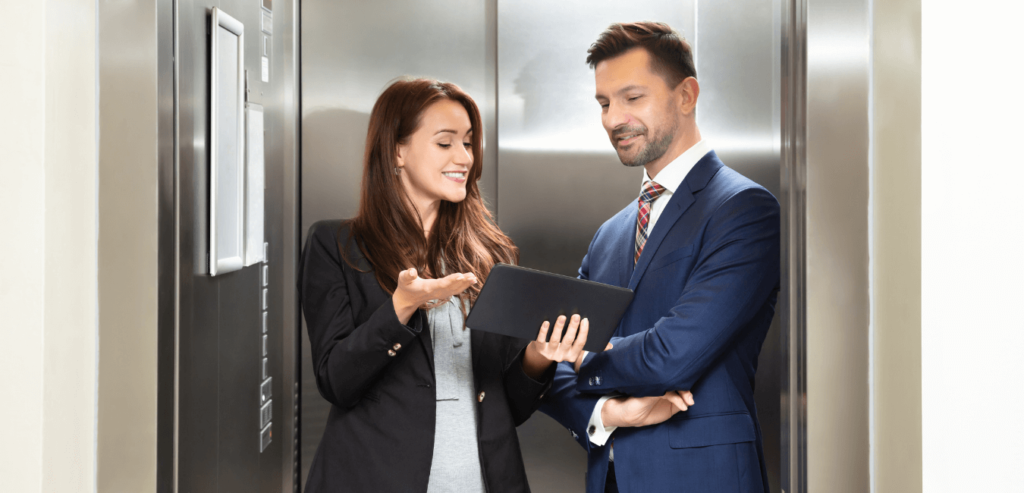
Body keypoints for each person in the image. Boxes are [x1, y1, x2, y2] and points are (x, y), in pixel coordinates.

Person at [299, 78, 590, 492]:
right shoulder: (336, 246)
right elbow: (336, 382)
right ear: (397, 150)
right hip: (375, 477)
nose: (464, 158)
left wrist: (539, 357)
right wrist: (400, 308)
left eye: (468, 143)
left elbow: (510, 407)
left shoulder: (491, 254)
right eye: (445, 142)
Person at [540, 22, 781, 492]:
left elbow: (674, 353)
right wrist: (606, 413)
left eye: (632, 98)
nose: (613, 119)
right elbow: (555, 369)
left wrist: (593, 354)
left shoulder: (743, 209)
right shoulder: (609, 235)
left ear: (687, 95)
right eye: (604, 104)